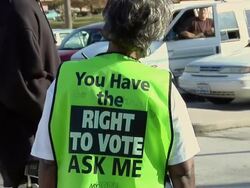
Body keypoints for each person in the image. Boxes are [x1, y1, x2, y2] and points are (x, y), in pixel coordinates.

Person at [31, 0, 200, 187]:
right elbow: (183, 171)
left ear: (108, 23)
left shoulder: (66, 79)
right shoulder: (162, 87)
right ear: (153, 32)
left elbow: (48, 162)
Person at [0, 0, 60, 187]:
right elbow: (21, 85)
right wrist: (62, 103)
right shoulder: (16, 8)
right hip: (28, 154)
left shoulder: (24, 6)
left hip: (37, 147)